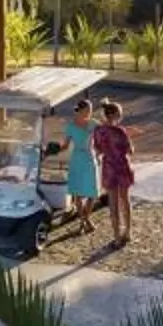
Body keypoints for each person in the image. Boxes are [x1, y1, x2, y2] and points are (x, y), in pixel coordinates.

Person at [90, 99, 136, 245]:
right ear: (115, 115)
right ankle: (127, 231)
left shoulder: (98, 131)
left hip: (109, 167)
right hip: (122, 167)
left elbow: (97, 150)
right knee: (125, 200)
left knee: (113, 204)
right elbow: (130, 150)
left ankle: (116, 237)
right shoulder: (120, 131)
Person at [58, 99, 101, 233]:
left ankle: (84, 220)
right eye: (88, 109)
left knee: (92, 193)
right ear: (81, 110)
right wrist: (52, 149)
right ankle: (85, 220)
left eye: (91, 109)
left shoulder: (94, 123)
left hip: (89, 157)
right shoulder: (70, 126)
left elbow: (103, 137)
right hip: (77, 158)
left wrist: (100, 153)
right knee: (77, 193)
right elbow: (65, 145)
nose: (90, 112)